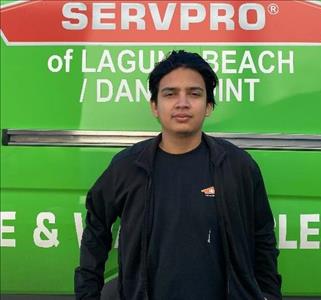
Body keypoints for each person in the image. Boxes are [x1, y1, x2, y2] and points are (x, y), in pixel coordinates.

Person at [74, 50, 282, 300]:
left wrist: (269, 294)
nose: (182, 103)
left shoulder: (237, 167)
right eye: (170, 94)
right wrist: (87, 294)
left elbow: (263, 237)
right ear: (154, 106)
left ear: (208, 106)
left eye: (194, 94)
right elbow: (96, 227)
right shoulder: (128, 167)